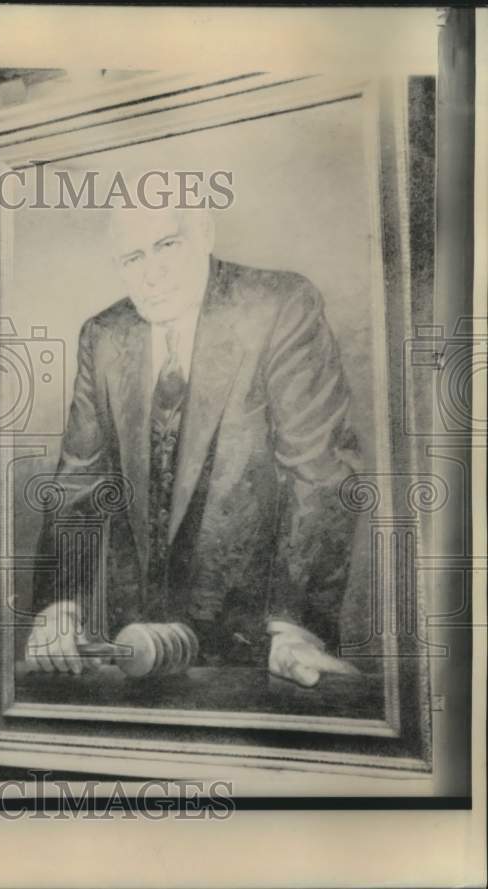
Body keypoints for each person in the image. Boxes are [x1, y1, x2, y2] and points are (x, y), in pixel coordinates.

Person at [26, 203, 362, 688]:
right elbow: (79, 482)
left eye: (167, 245)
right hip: (141, 643)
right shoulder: (103, 335)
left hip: (263, 646)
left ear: (204, 233)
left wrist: (296, 628)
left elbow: (319, 469)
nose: (152, 275)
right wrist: (59, 607)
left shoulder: (280, 304)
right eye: (133, 258)